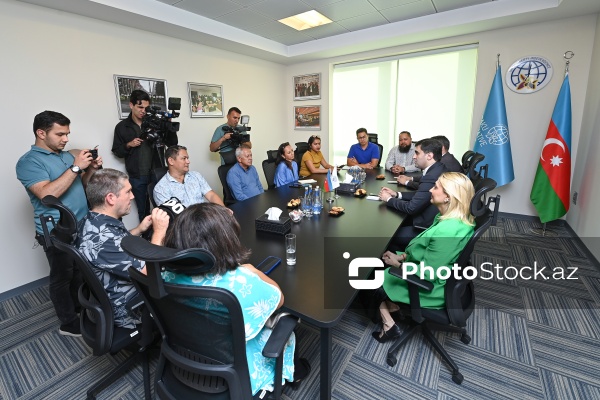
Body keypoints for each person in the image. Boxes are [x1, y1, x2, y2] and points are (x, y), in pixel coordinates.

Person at [163, 203, 310, 395]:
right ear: (225, 241)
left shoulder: (164, 276)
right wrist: (251, 269)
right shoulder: (240, 281)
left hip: (183, 357)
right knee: (284, 321)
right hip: (234, 372)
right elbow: (278, 298)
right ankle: (295, 372)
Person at [16, 110, 103, 336]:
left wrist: (89, 169)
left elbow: (78, 186)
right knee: (62, 277)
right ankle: (68, 323)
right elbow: (47, 195)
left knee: (80, 273)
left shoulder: (64, 156)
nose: (66, 139)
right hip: (55, 229)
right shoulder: (28, 162)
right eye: (60, 134)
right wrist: (75, 167)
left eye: (67, 134)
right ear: (41, 133)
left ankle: (79, 310)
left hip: (80, 223)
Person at [372, 172, 475, 342]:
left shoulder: (446, 231)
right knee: (379, 259)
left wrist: (397, 265)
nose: (431, 190)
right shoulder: (452, 219)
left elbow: (429, 273)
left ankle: (388, 325)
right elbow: (427, 251)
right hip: (432, 270)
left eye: (435, 188)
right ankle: (394, 306)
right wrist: (403, 256)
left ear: (448, 197)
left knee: (369, 275)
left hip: (429, 287)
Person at [77, 169, 170, 328]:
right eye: (128, 191)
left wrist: (139, 230)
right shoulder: (103, 239)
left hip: (117, 291)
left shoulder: (94, 221)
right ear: (111, 198)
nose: (132, 196)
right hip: (131, 307)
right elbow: (150, 273)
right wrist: (160, 231)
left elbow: (119, 243)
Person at [112, 90, 178, 222]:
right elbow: (117, 150)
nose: (143, 111)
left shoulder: (155, 123)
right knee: (143, 210)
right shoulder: (122, 127)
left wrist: (168, 126)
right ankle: (147, 237)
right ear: (131, 105)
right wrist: (129, 144)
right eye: (140, 107)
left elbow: (172, 143)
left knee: (165, 206)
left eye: (146, 108)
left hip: (157, 172)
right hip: (137, 175)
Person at [379, 138, 447, 248]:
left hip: (426, 227)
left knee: (387, 235)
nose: (414, 156)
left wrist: (388, 199)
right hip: (432, 220)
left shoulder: (431, 176)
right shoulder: (438, 168)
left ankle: (395, 261)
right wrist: (397, 194)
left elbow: (411, 208)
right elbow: (421, 195)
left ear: (429, 156)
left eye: (417, 153)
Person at [153, 145, 228, 209]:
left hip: (204, 219)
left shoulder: (196, 176)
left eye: (187, 158)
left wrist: (224, 211)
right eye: (184, 158)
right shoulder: (161, 188)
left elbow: (211, 195)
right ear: (171, 161)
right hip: (184, 224)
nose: (188, 162)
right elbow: (171, 217)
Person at [397, 136, 462, 189]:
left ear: (441, 148)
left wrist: (407, 182)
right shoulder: (445, 157)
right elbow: (427, 177)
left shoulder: (445, 162)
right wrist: (411, 178)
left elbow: (428, 186)